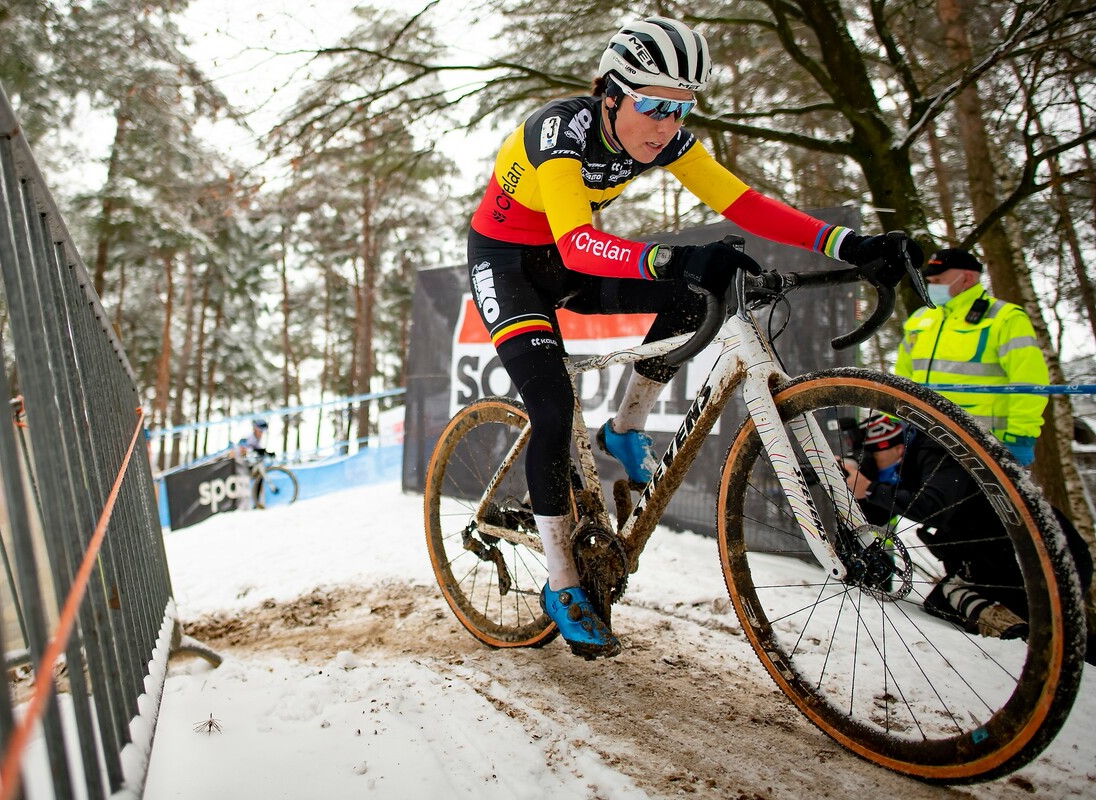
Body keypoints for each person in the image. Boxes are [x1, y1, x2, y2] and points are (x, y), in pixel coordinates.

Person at [467, 16, 922, 658]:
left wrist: (851, 242)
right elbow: (576, 241)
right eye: (653, 106)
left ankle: (625, 428)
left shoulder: (667, 137)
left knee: (689, 301)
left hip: (570, 262)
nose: (667, 125)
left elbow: (743, 204)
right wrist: (675, 257)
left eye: (682, 109)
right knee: (550, 403)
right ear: (610, 94)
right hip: (509, 265)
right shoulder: (558, 130)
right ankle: (563, 585)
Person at [842, 414, 1094, 644]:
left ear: (897, 448)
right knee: (940, 603)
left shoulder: (938, 450)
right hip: (999, 555)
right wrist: (851, 484)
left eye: (873, 459)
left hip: (1042, 556)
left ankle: (1025, 636)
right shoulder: (906, 461)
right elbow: (877, 515)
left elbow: (935, 508)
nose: (871, 466)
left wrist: (872, 489)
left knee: (1041, 628)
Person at [895, 248, 1049, 466]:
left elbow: (1029, 381)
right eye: (930, 280)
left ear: (967, 278)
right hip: (924, 437)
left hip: (982, 443)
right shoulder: (920, 319)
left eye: (939, 280)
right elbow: (903, 377)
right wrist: (894, 421)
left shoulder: (1005, 318)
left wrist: (1020, 438)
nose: (932, 286)